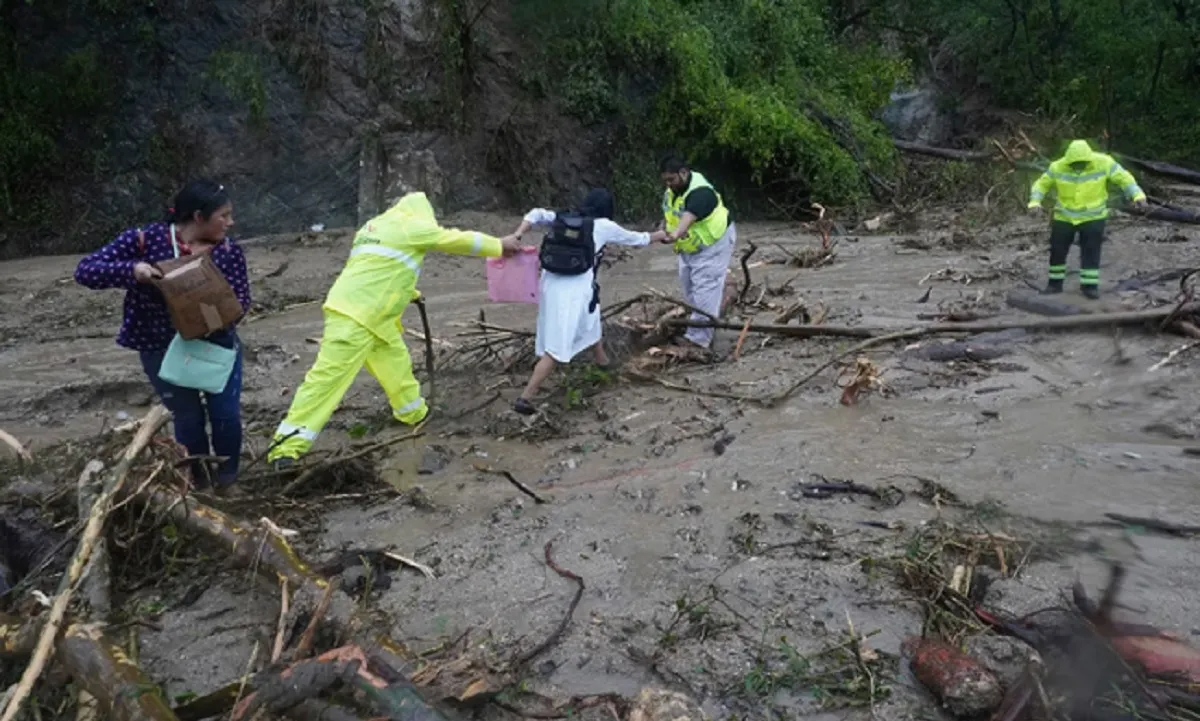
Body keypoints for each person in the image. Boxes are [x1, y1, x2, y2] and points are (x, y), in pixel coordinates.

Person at [268, 192, 524, 469]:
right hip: (358, 317)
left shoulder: (373, 227)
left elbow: (381, 270)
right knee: (325, 382)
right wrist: (499, 245)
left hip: (369, 314)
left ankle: (414, 415)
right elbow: (455, 239)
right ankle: (286, 448)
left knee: (396, 366)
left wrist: (409, 292)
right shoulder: (411, 227)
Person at [74, 180, 250, 492]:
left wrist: (212, 312)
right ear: (198, 217)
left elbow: (242, 301)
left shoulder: (228, 251)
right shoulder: (144, 241)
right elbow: (86, 270)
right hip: (160, 345)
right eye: (223, 216)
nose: (230, 223)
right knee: (188, 418)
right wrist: (133, 271)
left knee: (225, 416)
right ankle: (198, 482)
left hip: (215, 344)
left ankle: (227, 480)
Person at [507, 188, 666, 415]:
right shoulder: (603, 226)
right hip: (574, 290)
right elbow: (638, 239)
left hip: (549, 284)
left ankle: (602, 362)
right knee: (558, 345)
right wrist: (659, 235)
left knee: (590, 317)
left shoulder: (563, 217)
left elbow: (535, 214)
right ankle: (526, 397)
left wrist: (518, 234)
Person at [1028, 139, 1147, 299]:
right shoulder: (1057, 166)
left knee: (1091, 251)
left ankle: (1089, 287)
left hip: (1093, 216)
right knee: (1057, 251)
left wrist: (1137, 195)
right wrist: (1035, 202)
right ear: (1068, 159)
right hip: (1064, 216)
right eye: (1074, 164)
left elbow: (1124, 178)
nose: (1078, 166)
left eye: (1082, 163)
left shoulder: (1104, 162)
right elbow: (1041, 185)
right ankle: (1054, 285)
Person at [657, 152, 736, 351]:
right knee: (688, 287)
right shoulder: (672, 191)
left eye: (671, 179)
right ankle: (699, 323)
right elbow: (670, 214)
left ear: (683, 173)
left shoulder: (701, 192)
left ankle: (699, 340)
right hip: (690, 248)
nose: (668, 184)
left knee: (705, 290)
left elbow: (687, 218)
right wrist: (662, 229)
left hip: (713, 245)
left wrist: (673, 235)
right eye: (665, 180)